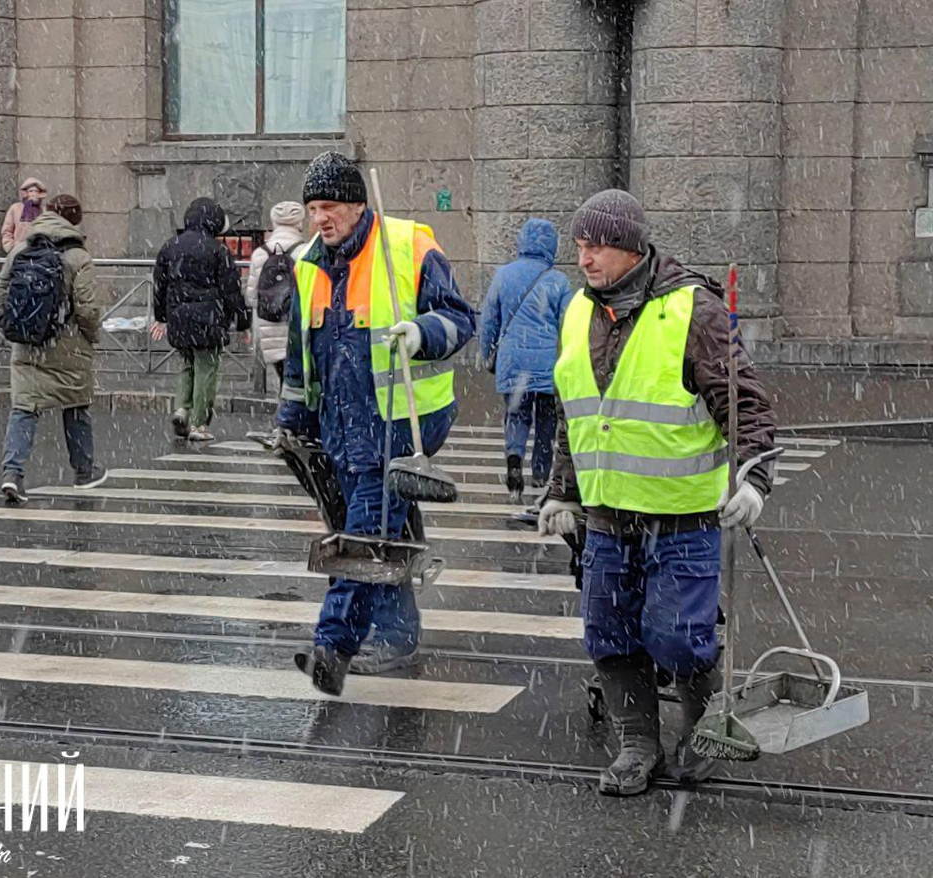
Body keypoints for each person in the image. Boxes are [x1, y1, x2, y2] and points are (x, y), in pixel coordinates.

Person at [537, 189, 777, 796]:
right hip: (606, 516)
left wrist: (753, 476)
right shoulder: (576, 312)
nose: (586, 258)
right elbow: (575, 414)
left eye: (598, 246)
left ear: (632, 247)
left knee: (676, 636)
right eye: (581, 245)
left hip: (684, 515)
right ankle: (637, 742)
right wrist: (561, 493)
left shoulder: (692, 311)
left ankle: (703, 727)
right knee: (608, 634)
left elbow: (745, 403)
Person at [277, 151, 476, 696]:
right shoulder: (308, 264)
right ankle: (397, 634)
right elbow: (301, 353)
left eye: (331, 206)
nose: (322, 217)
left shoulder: (408, 247)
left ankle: (332, 646)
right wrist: (291, 421)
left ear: (358, 204)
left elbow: (462, 318)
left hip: (399, 424)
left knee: (362, 535)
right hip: (341, 426)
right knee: (386, 531)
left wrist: (421, 332)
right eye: (314, 207)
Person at [0, 194, 108, 503]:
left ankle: (12, 473)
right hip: (69, 344)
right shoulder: (78, 256)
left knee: (24, 408)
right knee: (75, 406)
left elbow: (2, 293)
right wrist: (91, 335)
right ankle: (84, 471)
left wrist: (19, 326)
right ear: (74, 220)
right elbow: (87, 308)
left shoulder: (21, 247)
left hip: (29, 343)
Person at [478, 218, 572, 503]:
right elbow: (569, 324)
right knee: (546, 421)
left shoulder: (503, 275)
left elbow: (489, 320)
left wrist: (487, 354)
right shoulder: (558, 280)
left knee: (516, 415)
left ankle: (514, 460)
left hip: (512, 359)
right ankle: (541, 474)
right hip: (546, 364)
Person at [151, 197, 250, 442]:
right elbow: (231, 289)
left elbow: (159, 285)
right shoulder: (218, 250)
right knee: (207, 367)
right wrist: (243, 320)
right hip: (209, 317)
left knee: (187, 364)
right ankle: (199, 423)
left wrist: (161, 316)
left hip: (178, 316)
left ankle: (181, 408)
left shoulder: (170, 246)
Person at [244, 201, 306, 390]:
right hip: (298, 325)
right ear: (300, 223)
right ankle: (293, 414)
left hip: (270, 325)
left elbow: (252, 297)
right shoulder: (306, 252)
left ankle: (283, 411)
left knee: (281, 377)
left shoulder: (260, 254)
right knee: (299, 381)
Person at [2, 178, 47, 253]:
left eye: (36, 191)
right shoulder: (15, 208)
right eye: (31, 191)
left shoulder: (45, 210)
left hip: (41, 252)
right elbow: (7, 231)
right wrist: (11, 247)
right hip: (19, 251)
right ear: (26, 193)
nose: (33, 193)